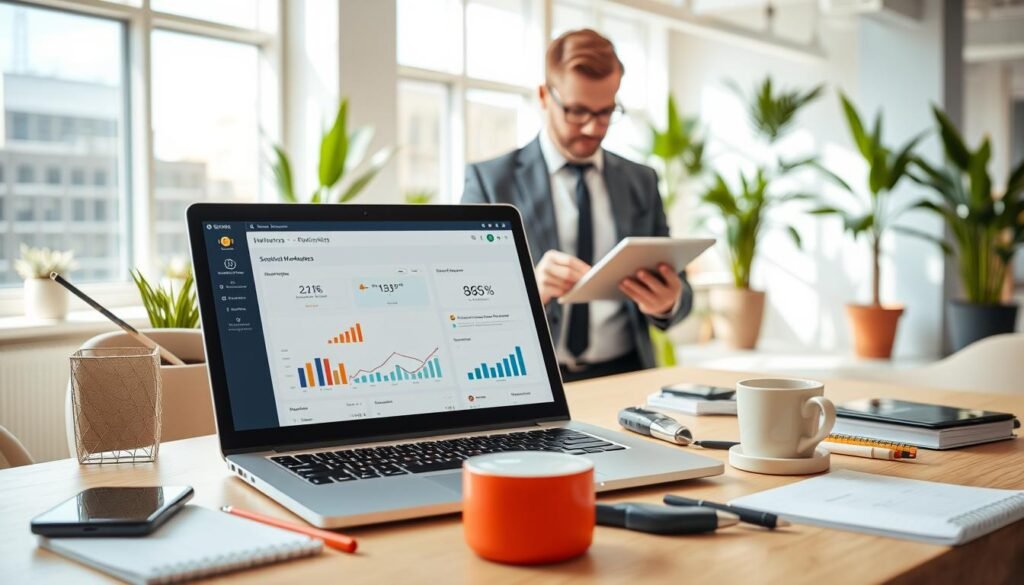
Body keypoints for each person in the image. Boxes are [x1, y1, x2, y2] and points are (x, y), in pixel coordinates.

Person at [461, 28, 692, 382]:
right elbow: (464, 301)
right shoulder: (490, 182)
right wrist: (530, 291)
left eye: (605, 112)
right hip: (530, 379)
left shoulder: (641, 181)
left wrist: (667, 301)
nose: (591, 127)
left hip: (625, 375)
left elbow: (681, 293)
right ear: (543, 96)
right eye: (577, 111)